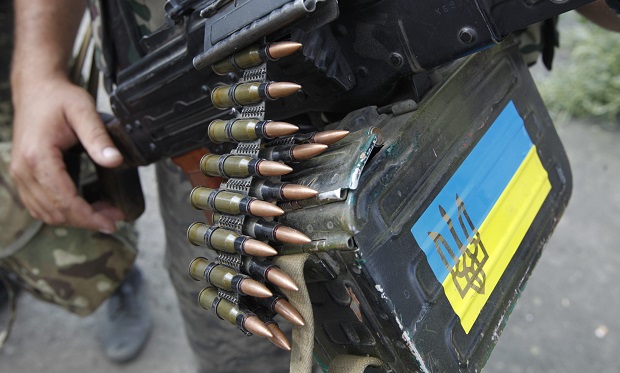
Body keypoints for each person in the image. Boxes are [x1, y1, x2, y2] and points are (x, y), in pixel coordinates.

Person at [9, 0, 620, 372]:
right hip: (205, 112)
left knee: (437, 320)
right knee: (257, 350)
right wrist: (36, 67)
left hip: (452, 82)